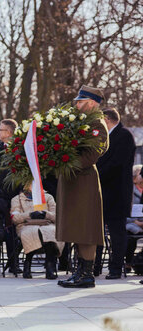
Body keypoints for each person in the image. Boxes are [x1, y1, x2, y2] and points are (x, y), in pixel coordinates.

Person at [57, 85, 109, 288]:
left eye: (81, 101)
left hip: (83, 180)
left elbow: (92, 154)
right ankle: (79, 272)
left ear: (93, 103)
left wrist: (67, 163)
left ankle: (86, 274)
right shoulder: (81, 121)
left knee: (85, 228)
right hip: (73, 180)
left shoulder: (97, 123)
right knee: (76, 228)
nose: (76, 104)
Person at [93, 107, 135, 279]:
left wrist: (95, 173)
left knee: (117, 233)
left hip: (117, 193)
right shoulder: (106, 137)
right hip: (103, 193)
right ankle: (94, 267)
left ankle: (116, 268)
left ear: (106, 119)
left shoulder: (124, 136)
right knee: (96, 232)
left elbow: (116, 164)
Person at [0, 118, 21, 275]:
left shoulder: (19, 149)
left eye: (0, 129)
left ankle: (14, 263)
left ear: (9, 132)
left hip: (12, 195)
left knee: (12, 230)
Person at [11, 183, 62, 280]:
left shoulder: (48, 197)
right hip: (26, 225)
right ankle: (28, 263)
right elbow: (15, 219)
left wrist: (45, 214)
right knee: (31, 232)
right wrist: (29, 215)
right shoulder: (17, 199)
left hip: (47, 224)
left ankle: (50, 265)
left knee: (51, 232)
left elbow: (57, 216)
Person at [125, 165, 143, 270]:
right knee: (131, 234)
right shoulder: (130, 190)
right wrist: (136, 222)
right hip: (133, 221)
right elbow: (126, 211)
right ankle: (128, 262)